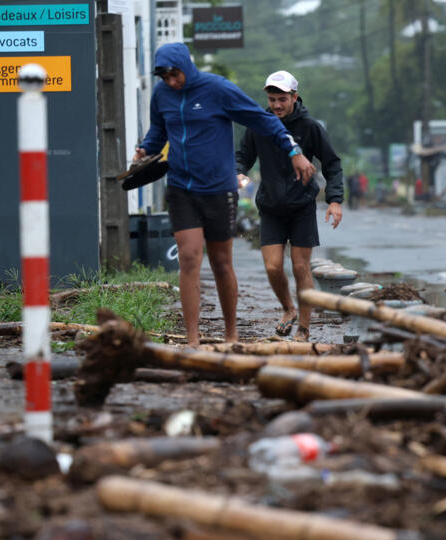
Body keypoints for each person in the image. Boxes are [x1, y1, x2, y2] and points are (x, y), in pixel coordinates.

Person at [133, 44, 316, 347]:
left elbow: (263, 119)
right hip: (181, 187)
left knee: (220, 262)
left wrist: (293, 150)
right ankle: (193, 341)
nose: (170, 81)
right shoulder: (161, 94)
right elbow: (158, 132)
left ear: (185, 67)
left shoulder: (217, 89)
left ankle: (231, 334)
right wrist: (146, 150)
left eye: (174, 74)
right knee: (189, 257)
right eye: (163, 76)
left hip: (218, 189)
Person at [236, 70, 343, 342]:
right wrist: (239, 172)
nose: (277, 105)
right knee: (273, 267)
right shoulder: (259, 124)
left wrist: (334, 200)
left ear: (294, 97)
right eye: (272, 99)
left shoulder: (310, 127)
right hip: (270, 205)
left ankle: (304, 327)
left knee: (299, 267)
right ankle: (288, 309)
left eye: (282, 99)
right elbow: (242, 156)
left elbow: (332, 163)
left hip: (301, 206)